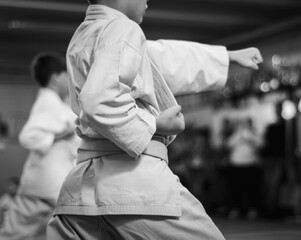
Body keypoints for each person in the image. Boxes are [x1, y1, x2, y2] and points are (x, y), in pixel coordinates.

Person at [47, 0, 263, 239]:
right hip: (133, 183)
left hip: (81, 189)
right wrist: (156, 125)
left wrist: (226, 57)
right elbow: (99, 100)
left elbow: (159, 60)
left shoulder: (86, 34)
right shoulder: (122, 28)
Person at [0, 53, 79, 240]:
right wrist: (60, 135)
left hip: (52, 185)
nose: (68, 81)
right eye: (65, 76)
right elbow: (28, 136)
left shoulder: (56, 104)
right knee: (14, 235)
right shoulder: (48, 102)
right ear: (55, 78)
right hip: (44, 186)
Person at [225, 118, 263, 220]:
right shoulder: (236, 134)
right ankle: (236, 209)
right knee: (236, 189)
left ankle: (252, 209)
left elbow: (260, 144)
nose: (244, 126)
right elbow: (228, 144)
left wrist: (249, 137)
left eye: (247, 124)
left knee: (252, 188)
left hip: (250, 164)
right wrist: (239, 135)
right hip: (236, 165)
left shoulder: (254, 133)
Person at [261, 101, 286, 218]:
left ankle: (272, 209)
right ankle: (270, 209)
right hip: (270, 159)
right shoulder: (271, 126)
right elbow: (264, 142)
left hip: (278, 158)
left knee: (273, 185)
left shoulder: (284, 125)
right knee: (269, 185)